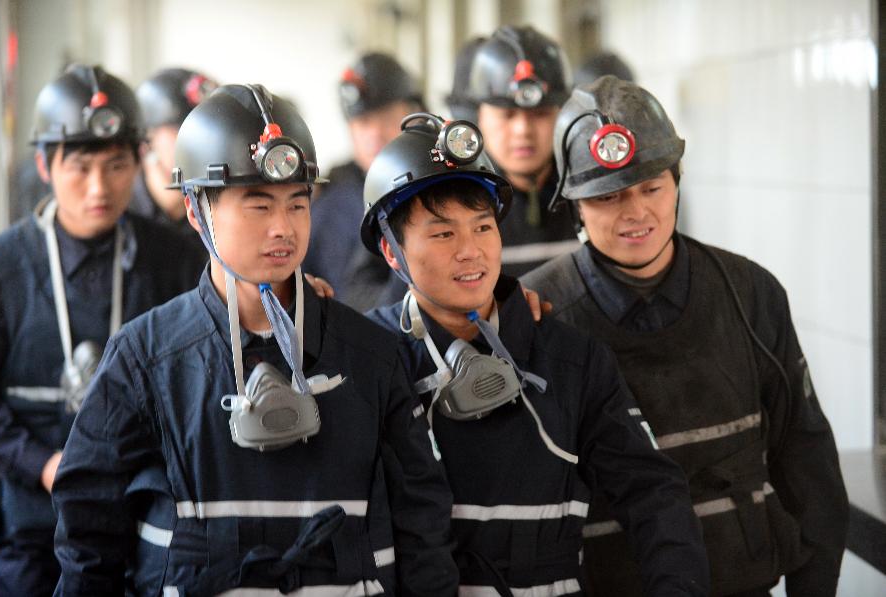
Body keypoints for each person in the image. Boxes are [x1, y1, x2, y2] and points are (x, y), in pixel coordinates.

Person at [51, 83, 458, 596]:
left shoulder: (370, 355)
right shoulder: (146, 358)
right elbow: (88, 535)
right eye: (258, 206)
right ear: (198, 211)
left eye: (297, 204)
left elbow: (424, 521)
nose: (282, 229)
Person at [521, 75, 849, 596]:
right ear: (575, 206)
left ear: (677, 181)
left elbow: (807, 464)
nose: (636, 213)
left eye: (652, 187)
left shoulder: (750, 294)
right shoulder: (538, 316)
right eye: (608, 196)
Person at [361, 112, 709, 595]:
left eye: (483, 227)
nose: (470, 252)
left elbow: (652, 493)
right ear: (392, 251)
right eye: (443, 234)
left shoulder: (570, 359)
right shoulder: (368, 362)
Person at [0, 64, 207, 597]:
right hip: (31, 521)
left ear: (139, 161)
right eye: (80, 168)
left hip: (143, 514)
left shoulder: (175, 257)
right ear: (44, 164)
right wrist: (42, 464)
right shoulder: (1, 267)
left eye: (116, 166)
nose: (99, 188)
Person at [450, 25, 580, 277]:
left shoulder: (590, 193)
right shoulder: (452, 202)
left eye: (540, 115)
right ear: (479, 118)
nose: (523, 130)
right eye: (507, 115)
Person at [303, 53, 424, 311]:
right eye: (363, 122)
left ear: (414, 115)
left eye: (387, 117)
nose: (374, 133)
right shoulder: (326, 204)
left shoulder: (441, 189)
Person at [133, 67, 218, 243]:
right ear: (146, 141)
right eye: (184, 130)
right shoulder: (118, 212)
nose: (202, 143)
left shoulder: (222, 216)